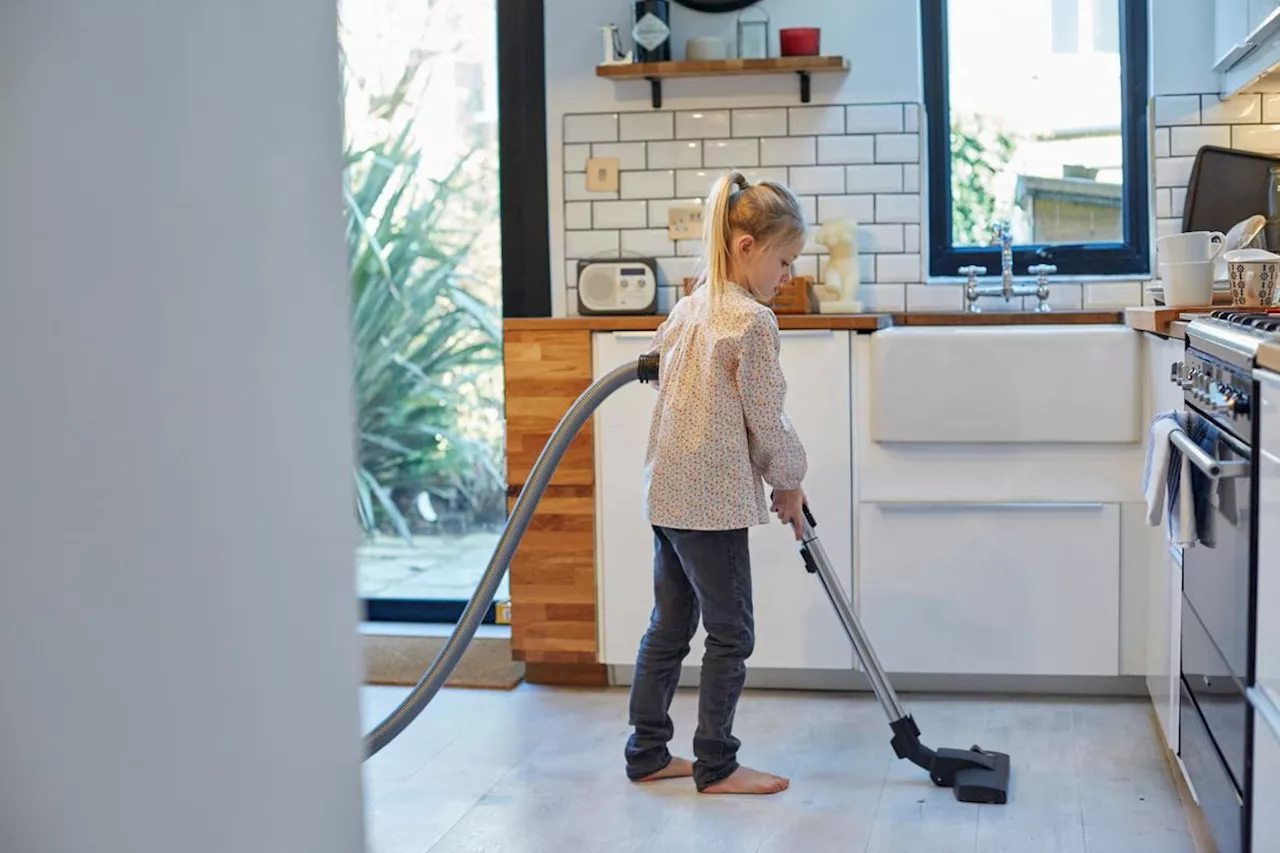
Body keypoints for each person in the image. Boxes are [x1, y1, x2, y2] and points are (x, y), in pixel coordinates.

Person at [624, 170, 809, 796]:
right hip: (712, 504)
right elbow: (768, 417)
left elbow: (655, 365)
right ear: (747, 247)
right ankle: (717, 764)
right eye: (784, 262)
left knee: (669, 627)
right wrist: (789, 480)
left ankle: (646, 752)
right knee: (732, 633)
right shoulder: (752, 323)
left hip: (667, 495)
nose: (787, 277)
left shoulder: (690, 307)